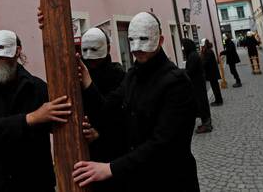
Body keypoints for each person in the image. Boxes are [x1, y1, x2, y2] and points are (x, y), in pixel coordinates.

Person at [72, 12, 200, 192]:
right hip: (138, 179)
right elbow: (107, 109)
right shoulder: (132, 75)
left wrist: (110, 168)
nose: (136, 48)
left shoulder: (176, 82)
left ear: (160, 40)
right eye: (131, 40)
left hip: (171, 180)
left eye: (144, 39)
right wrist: (87, 83)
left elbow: (164, 143)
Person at [0, 30, 72, 192]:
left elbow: (58, 124)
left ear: (17, 51)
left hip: (34, 182)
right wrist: (31, 118)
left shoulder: (38, 88)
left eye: (1, 55)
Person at [79, 27, 126, 192]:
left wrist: (100, 134)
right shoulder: (77, 73)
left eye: (96, 58)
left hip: (112, 158)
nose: (91, 62)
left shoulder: (118, 75)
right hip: (83, 155)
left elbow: (117, 116)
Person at [183, 38, 213, 133]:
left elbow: (190, 71)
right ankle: (206, 122)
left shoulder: (193, 56)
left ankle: (207, 124)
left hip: (198, 84)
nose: (183, 48)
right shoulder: (193, 55)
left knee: (202, 103)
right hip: (198, 83)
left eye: (184, 46)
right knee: (201, 103)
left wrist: (180, 73)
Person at [200, 38, 223, 106]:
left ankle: (218, 101)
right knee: (215, 87)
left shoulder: (208, 52)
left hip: (212, 73)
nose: (201, 47)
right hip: (212, 72)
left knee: (215, 87)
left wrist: (200, 64)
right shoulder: (208, 51)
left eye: (202, 46)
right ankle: (218, 99)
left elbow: (205, 62)